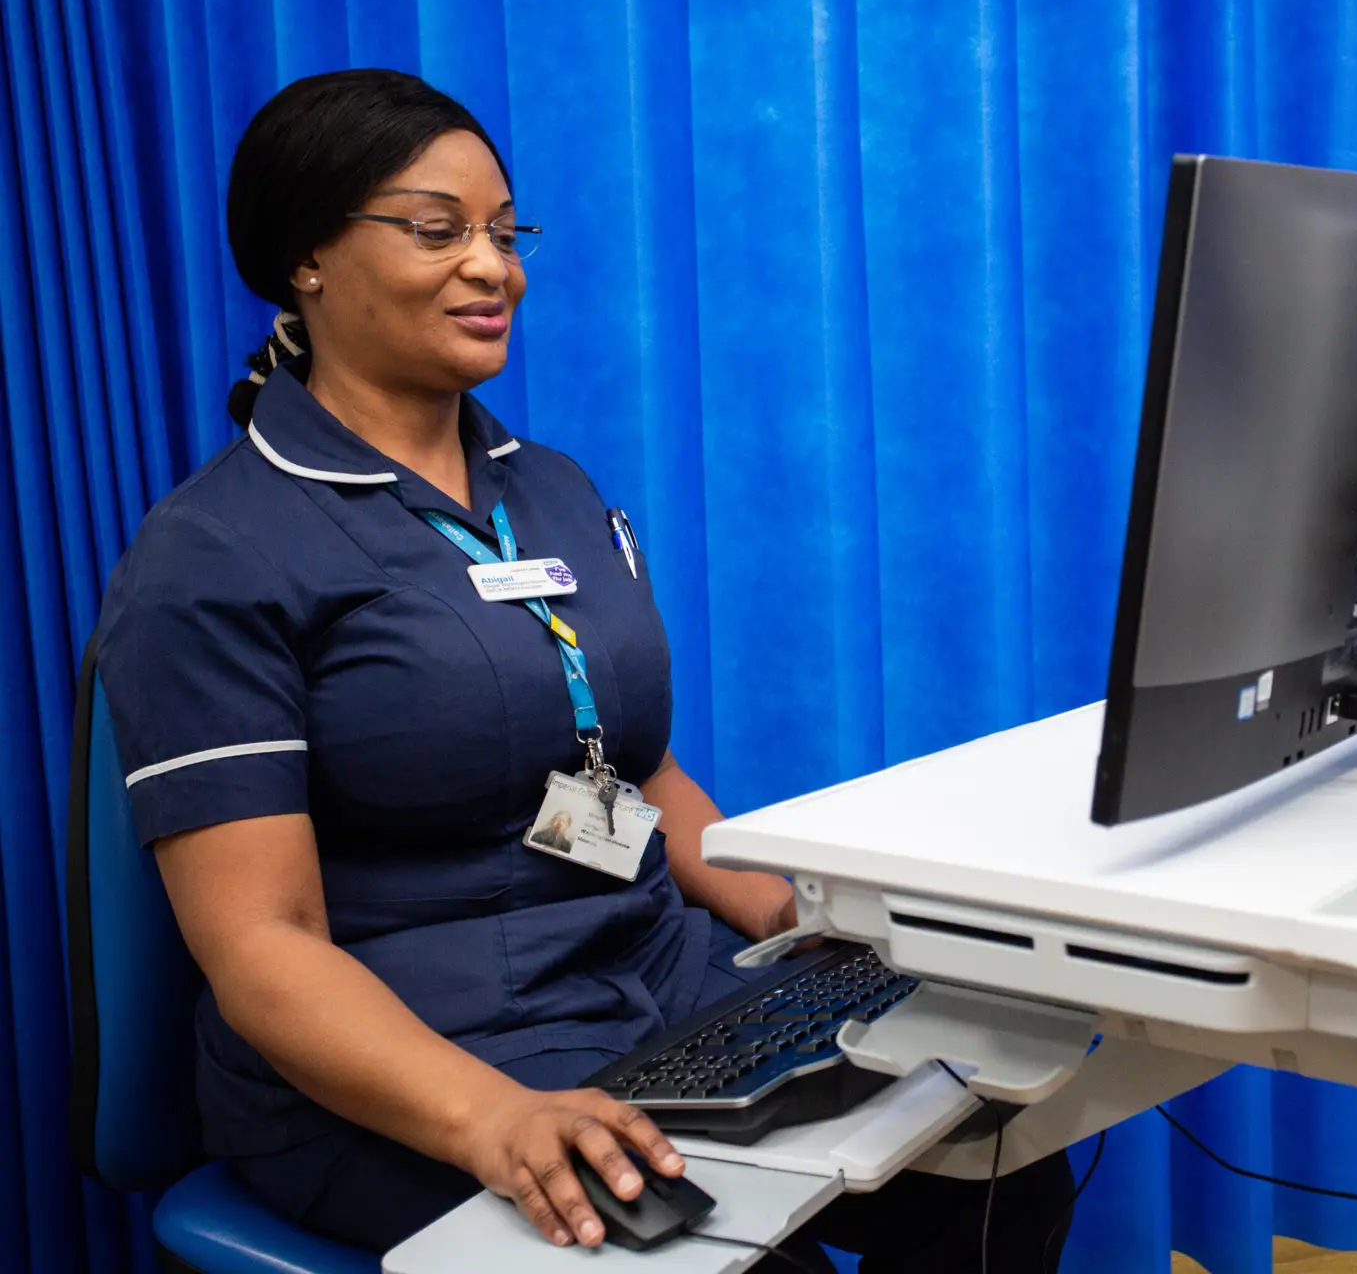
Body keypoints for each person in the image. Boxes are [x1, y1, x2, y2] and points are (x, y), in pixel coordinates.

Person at [95, 69, 1073, 1269]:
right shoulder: (215, 552)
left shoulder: (546, 485)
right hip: (419, 1050)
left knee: (993, 1156)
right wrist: (490, 1118)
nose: (493, 266)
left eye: (505, 233)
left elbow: (634, 770)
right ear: (305, 258)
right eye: (436, 229)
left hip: (652, 984)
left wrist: (793, 912)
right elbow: (262, 941)